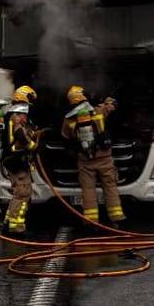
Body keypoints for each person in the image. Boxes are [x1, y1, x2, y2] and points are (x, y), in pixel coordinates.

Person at [61, 85, 126, 226]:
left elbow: (65, 137)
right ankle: (117, 218)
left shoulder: (68, 119)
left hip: (85, 160)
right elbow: (112, 107)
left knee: (88, 190)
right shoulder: (98, 110)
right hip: (104, 158)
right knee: (110, 186)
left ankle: (91, 221)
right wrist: (109, 102)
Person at [1, 85, 40, 235]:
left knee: (18, 193)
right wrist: (33, 146)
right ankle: (17, 228)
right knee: (23, 193)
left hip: (14, 160)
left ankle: (8, 223)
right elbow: (20, 136)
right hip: (16, 161)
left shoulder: (12, 114)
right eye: (29, 100)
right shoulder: (17, 116)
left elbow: (26, 131)